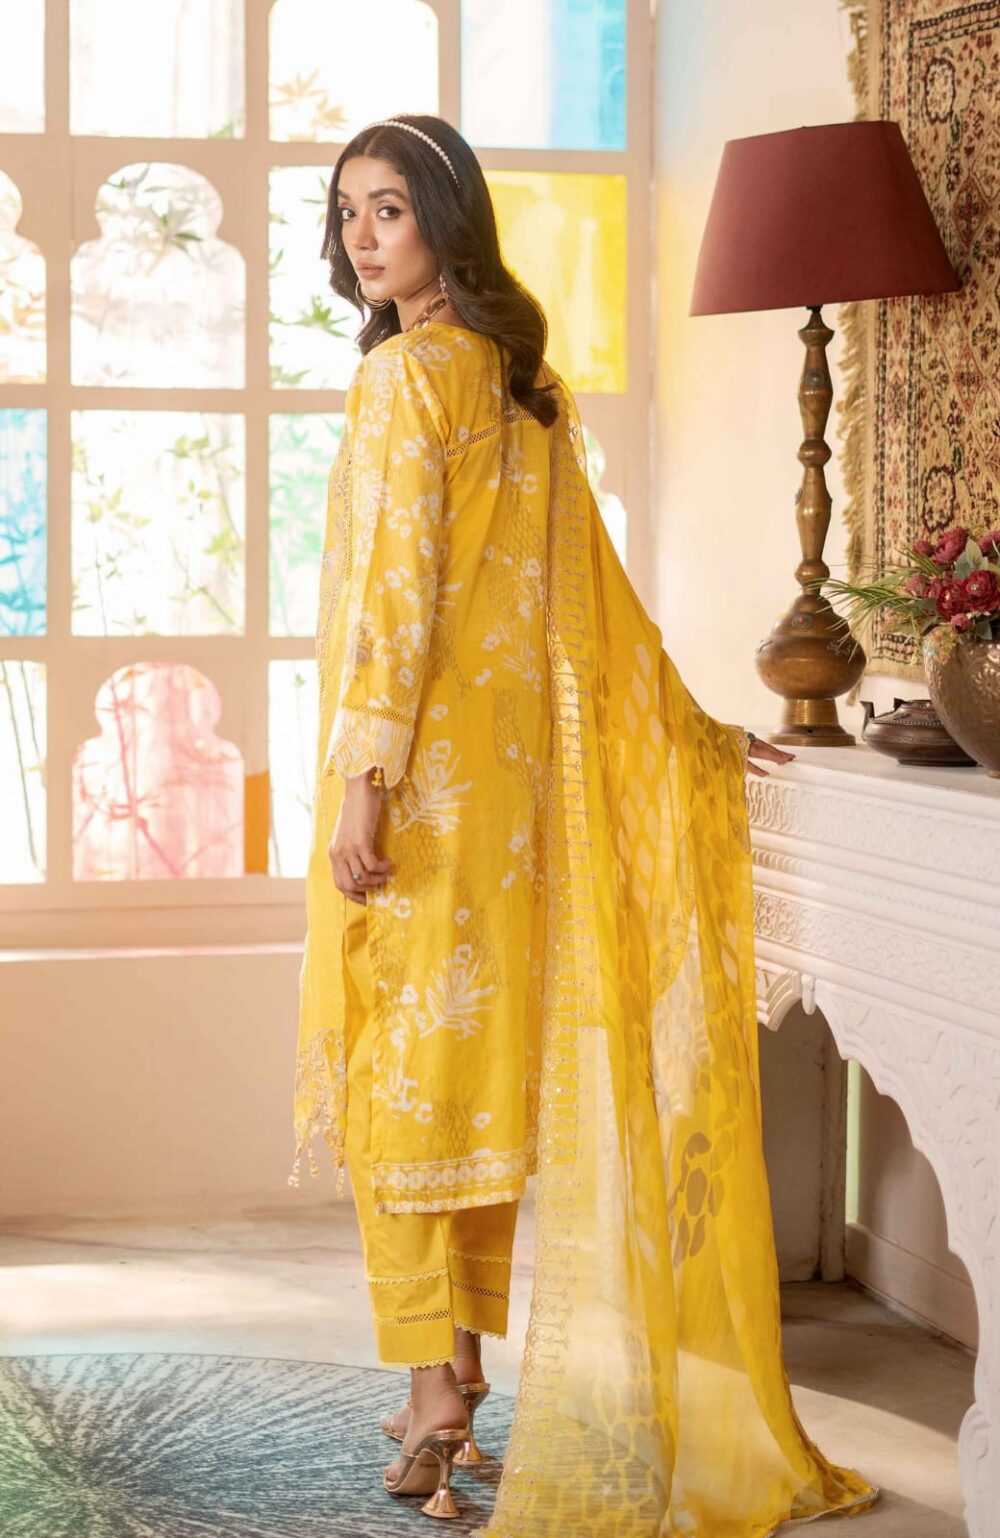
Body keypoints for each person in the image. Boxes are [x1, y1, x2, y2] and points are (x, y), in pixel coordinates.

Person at [290, 113, 881, 1533]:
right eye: (348, 210)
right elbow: (593, 605)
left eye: (389, 208)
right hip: (513, 802)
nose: (363, 236)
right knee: (474, 1085)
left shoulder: (404, 382)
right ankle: (455, 1372)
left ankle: (433, 1390)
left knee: (401, 1086)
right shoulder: (522, 384)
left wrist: (365, 776)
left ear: (446, 219)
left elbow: (394, 596)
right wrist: (687, 732)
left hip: (420, 787)